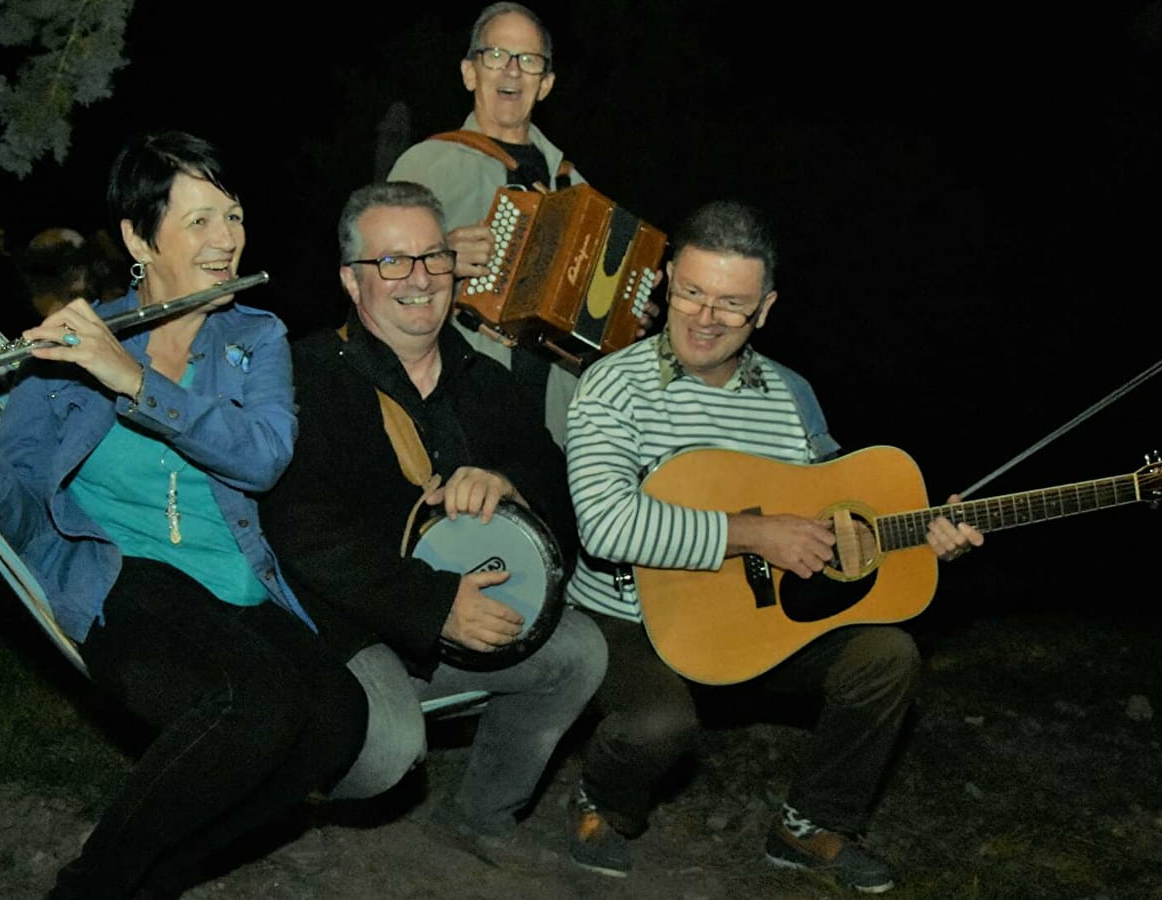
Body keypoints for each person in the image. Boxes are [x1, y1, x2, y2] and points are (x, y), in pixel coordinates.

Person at [0, 131, 366, 900]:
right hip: (121, 576)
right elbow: (21, 519)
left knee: (336, 720)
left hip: (229, 578)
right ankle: (93, 886)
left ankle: (157, 875)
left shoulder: (254, 337)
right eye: (199, 221)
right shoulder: (68, 345)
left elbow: (262, 456)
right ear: (137, 236)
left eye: (233, 216)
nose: (226, 240)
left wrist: (134, 380)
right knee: (254, 707)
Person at [560, 201, 985, 892]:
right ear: (666, 280)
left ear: (765, 307)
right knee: (660, 724)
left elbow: (836, 515)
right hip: (626, 618)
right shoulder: (615, 383)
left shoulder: (791, 396)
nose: (704, 317)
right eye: (692, 292)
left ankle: (807, 824)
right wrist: (752, 533)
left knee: (886, 658)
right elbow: (605, 526)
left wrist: (924, 535)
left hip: (755, 621)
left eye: (732, 304)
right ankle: (601, 802)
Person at [259, 181, 606, 863]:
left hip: (452, 618)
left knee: (578, 652)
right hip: (346, 626)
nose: (418, 280)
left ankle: (480, 817)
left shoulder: (486, 381)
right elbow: (303, 533)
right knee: (386, 754)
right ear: (352, 281)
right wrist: (432, 604)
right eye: (392, 262)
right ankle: (269, 777)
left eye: (433, 258)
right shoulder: (302, 376)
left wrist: (510, 485)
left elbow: (563, 497)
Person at [389, 2, 633, 448]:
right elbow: (371, 275)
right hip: (458, 407)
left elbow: (593, 320)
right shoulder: (423, 165)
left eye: (529, 60)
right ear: (469, 72)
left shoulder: (575, 186)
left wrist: (624, 312)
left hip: (560, 414)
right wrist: (439, 259)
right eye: (496, 55)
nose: (513, 71)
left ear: (546, 84)